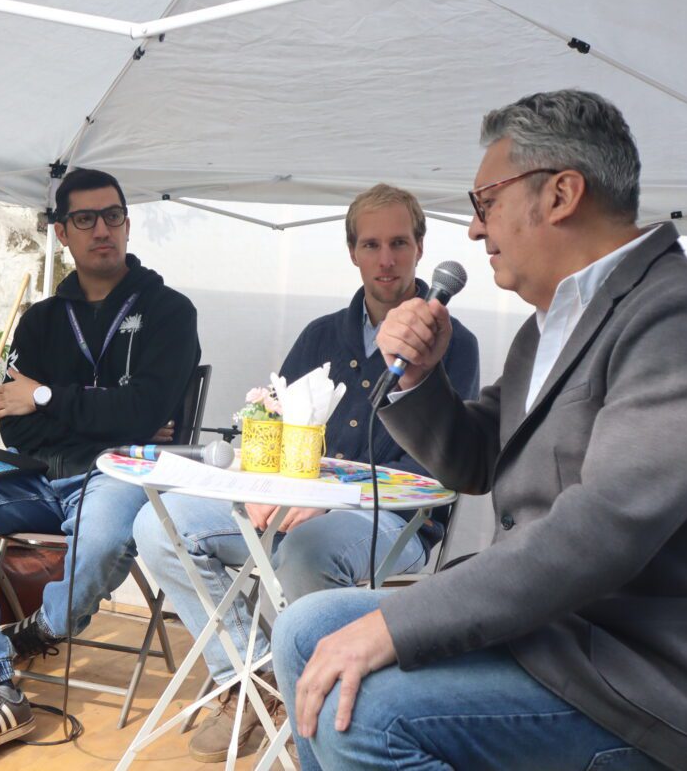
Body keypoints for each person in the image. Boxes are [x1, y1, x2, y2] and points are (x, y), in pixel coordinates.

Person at [273, 89, 687, 771]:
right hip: (544, 633)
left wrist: (396, 624)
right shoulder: (551, 323)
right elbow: (477, 458)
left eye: (485, 202)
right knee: (304, 629)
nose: (476, 230)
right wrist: (422, 377)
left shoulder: (682, 318)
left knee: (363, 718)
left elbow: (602, 527)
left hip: (625, 675)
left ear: (561, 194)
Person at [134, 183, 480, 763]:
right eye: (371, 244)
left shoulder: (452, 342)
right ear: (352, 252)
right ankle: (256, 682)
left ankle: (318, 716)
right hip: (296, 502)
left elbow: (434, 467)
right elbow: (273, 417)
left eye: (399, 242)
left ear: (421, 248)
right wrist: (266, 487)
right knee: (156, 524)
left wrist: (326, 499)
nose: (386, 258)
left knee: (307, 552)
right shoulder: (322, 333)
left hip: (394, 523)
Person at [0, 168, 201, 763]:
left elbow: (143, 408)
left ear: (127, 221)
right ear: (61, 232)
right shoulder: (42, 320)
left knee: (100, 542)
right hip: (38, 473)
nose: (103, 229)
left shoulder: (170, 311)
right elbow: (13, 420)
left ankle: (42, 629)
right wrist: (113, 413)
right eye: (85, 219)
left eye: (113, 215)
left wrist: (49, 396)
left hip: (118, 471)